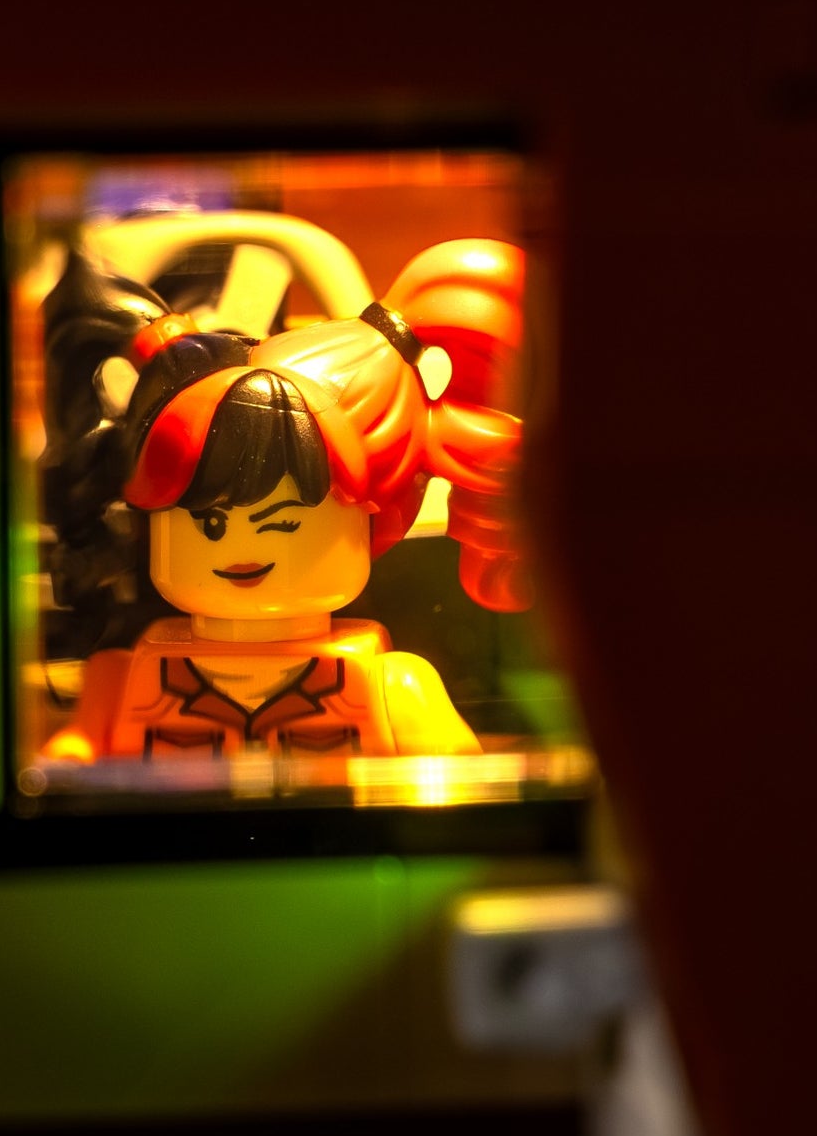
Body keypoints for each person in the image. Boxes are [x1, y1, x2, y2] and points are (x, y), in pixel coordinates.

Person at [38, 234, 529, 762]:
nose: (240, 544)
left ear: (372, 517)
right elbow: (69, 762)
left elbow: (452, 771)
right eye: (210, 522)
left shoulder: (395, 688)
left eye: (284, 521)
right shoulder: (119, 679)